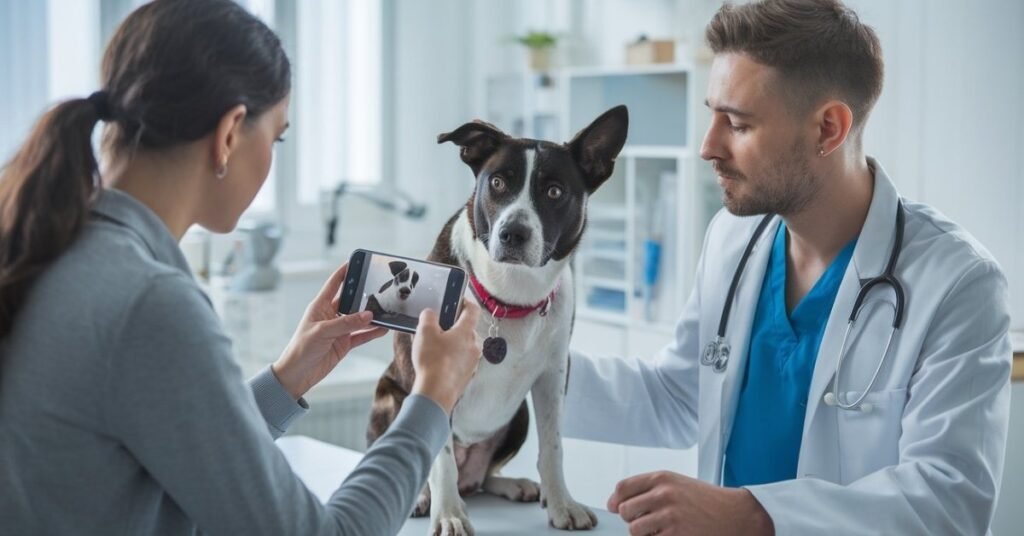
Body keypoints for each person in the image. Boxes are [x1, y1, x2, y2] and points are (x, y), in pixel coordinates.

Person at [0, 1, 482, 535]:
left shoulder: (58, 250)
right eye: (276, 138)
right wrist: (433, 396)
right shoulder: (149, 302)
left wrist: (287, 377)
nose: (273, 158)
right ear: (230, 132)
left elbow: (170, 444)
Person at [561, 1, 1012, 535]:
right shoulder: (733, 239)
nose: (708, 146)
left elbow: (948, 504)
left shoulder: (958, 284)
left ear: (828, 128)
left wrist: (753, 515)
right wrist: (509, 370)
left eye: (737, 123)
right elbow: (677, 396)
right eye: (712, 114)